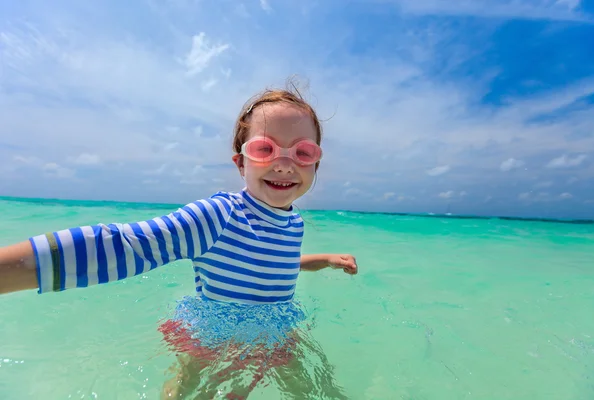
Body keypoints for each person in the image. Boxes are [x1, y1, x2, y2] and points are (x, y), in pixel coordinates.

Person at [0, 82, 358, 398]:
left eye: (302, 152)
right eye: (265, 150)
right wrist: (13, 268)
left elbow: (273, 264)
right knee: (188, 389)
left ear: (316, 165)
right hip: (211, 334)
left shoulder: (293, 223)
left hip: (272, 331)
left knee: (318, 389)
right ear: (240, 163)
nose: (284, 163)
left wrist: (323, 260)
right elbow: (125, 244)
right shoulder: (216, 216)